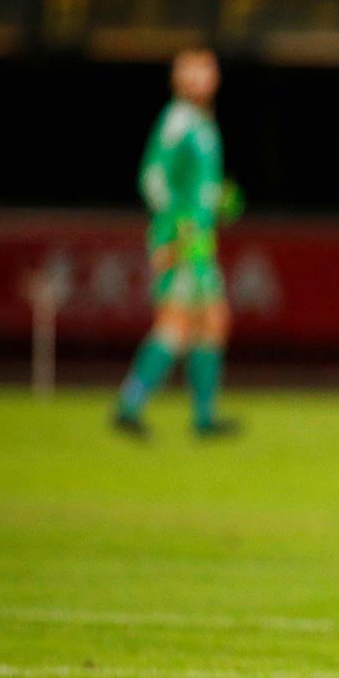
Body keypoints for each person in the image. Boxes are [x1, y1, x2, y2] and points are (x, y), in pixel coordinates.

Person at [112, 49, 241, 438]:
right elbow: (152, 178)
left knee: (213, 321)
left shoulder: (203, 123)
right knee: (175, 323)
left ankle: (203, 417)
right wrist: (174, 227)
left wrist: (219, 199)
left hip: (200, 239)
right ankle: (129, 404)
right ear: (182, 79)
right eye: (199, 71)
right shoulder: (177, 121)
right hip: (183, 239)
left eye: (210, 70)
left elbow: (195, 185)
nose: (208, 76)